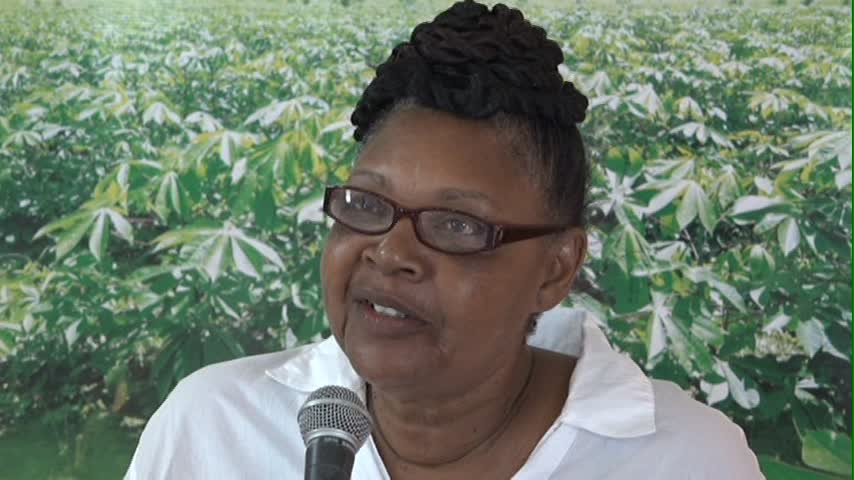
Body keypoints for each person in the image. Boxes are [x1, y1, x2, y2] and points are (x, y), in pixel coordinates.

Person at [125, 1, 766, 478]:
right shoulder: (213, 428)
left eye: (457, 225)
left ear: (556, 268)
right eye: (367, 204)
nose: (391, 253)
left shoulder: (685, 459)